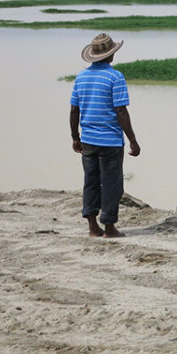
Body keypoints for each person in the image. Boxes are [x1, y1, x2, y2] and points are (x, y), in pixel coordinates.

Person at [69, 33, 141, 238]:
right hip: (110, 141)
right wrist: (133, 140)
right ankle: (109, 227)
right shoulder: (115, 77)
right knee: (112, 183)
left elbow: (74, 110)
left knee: (90, 181)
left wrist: (75, 136)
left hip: (88, 139)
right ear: (111, 55)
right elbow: (121, 111)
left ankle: (93, 227)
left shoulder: (81, 77)